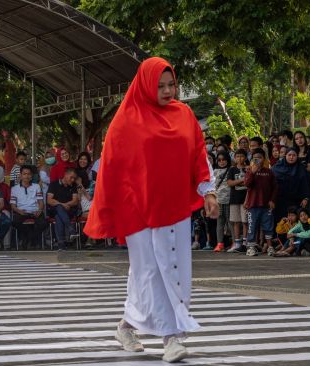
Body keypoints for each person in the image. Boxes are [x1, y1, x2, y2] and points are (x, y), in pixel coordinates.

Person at [83, 57, 217, 363]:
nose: (168, 91)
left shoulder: (184, 114)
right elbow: (113, 169)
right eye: (161, 86)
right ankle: (171, 338)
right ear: (145, 85)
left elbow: (198, 153)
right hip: (139, 210)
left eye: (172, 84)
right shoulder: (126, 120)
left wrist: (208, 191)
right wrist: (115, 208)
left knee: (176, 268)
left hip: (175, 206)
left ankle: (126, 325)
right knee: (149, 272)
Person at [243, 148, 277, 256]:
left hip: (266, 206)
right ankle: (251, 248)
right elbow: (247, 184)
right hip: (253, 205)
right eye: (255, 158)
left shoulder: (269, 172)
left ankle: (270, 247)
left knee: (268, 226)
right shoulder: (249, 171)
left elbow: (275, 188)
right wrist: (253, 172)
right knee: (252, 226)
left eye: (260, 157)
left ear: (264, 159)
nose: (257, 160)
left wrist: (272, 200)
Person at [11, 166, 47, 249]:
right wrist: (19, 211)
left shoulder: (36, 186)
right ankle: (31, 237)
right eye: (24, 174)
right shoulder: (14, 189)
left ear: (31, 176)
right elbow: (13, 205)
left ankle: (27, 238)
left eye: (29, 174)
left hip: (35, 210)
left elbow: (41, 201)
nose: (26, 176)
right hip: (21, 211)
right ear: (20, 175)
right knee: (14, 222)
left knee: (43, 223)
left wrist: (40, 210)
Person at [271, 147, 310, 224]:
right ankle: (280, 236)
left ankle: (294, 235)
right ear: (285, 156)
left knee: (295, 220)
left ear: (297, 156)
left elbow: (305, 184)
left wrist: (305, 198)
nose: (291, 157)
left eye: (294, 155)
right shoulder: (277, 167)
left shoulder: (300, 168)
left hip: (296, 200)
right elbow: (272, 183)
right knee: (280, 221)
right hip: (280, 200)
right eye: (289, 155)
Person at [47, 169, 79, 251]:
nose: (72, 180)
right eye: (71, 177)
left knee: (58, 215)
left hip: (69, 211)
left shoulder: (73, 186)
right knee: (59, 209)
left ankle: (61, 244)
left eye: (74, 178)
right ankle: (71, 229)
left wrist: (65, 205)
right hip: (54, 209)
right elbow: (49, 200)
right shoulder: (54, 184)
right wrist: (62, 205)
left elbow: (75, 201)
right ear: (65, 175)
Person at [226, 149, 249, 253]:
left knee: (245, 221)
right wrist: (240, 180)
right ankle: (237, 243)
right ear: (234, 158)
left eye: (242, 156)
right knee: (236, 221)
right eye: (237, 156)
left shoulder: (248, 169)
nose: (240, 158)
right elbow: (229, 183)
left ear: (246, 157)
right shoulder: (232, 169)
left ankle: (245, 243)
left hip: (246, 199)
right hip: (234, 199)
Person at [213, 151, 232, 252]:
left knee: (231, 222)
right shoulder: (214, 171)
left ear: (227, 160)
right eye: (219, 160)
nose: (221, 162)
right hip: (218, 200)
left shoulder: (231, 170)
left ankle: (234, 242)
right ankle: (220, 243)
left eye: (224, 159)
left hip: (229, 200)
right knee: (220, 222)